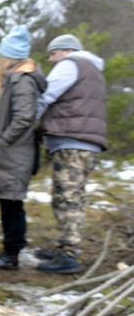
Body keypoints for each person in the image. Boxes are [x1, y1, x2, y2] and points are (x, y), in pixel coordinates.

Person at [0, 26, 46, 271]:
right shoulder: (9, 78)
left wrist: (2, 140)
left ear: (8, 56)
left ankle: (11, 255)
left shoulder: (23, 80)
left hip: (11, 155)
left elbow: (25, 117)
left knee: (10, 203)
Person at [33, 34, 107, 274]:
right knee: (72, 195)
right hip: (84, 142)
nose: (52, 60)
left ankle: (69, 255)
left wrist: (27, 121)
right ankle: (66, 246)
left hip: (72, 142)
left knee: (68, 198)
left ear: (66, 51)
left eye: (53, 54)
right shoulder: (93, 70)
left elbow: (46, 95)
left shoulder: (71, 65)